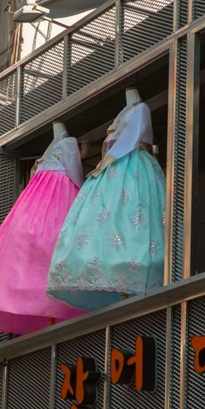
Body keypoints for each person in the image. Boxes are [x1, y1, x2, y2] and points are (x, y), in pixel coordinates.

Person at [46, 89, 166, 310]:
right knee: (112, 222)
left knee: (134, 218)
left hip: (132, 166)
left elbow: (131, 138)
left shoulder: (141, 109)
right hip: (117, 168)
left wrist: (105, 162)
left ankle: (134, 277)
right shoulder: (125, 112)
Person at [0, 122, 86, 334]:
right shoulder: (60, 144)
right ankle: (41, 303)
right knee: (44, 250)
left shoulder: (67, 143)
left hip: (49, 197)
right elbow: (77, 176)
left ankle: (46, 304)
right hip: (53, 197)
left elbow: (75, 173)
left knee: (44, 249)